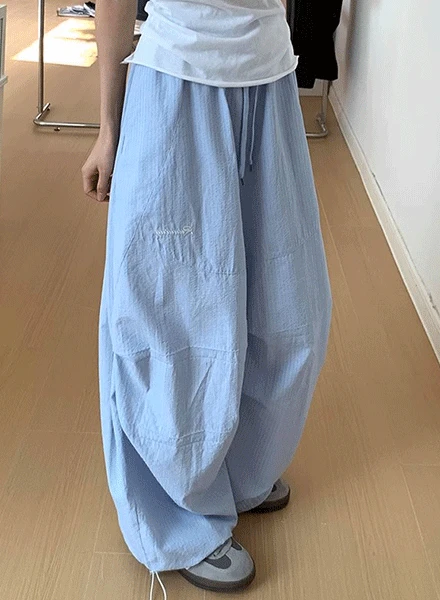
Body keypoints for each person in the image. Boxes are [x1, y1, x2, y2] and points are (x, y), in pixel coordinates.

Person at [81, 0, 332, 596]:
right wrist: (109, 128)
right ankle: (180, 514)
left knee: (289, 307)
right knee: (174, 315)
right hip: (177, 80)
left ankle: (243, 470)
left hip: (270, 82)